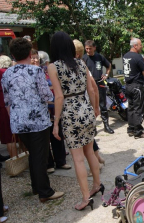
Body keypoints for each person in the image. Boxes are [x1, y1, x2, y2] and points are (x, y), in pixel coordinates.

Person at [1, 37, 64, 202]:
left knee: (33, 154)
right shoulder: (35, 71)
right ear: (30, 53)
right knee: (40, 157)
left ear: (13, 54)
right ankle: (45, 191)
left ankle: (37, 187)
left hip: (18, 121)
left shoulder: (7, 73)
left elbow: (7, 100)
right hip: (37, 121)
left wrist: (12, 118)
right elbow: (46, 95)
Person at [48, 31, 102, 211]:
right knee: (90, 151)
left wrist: (56, 123)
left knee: (78, 159)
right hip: (86, 109)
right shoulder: (81, 62)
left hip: (70, 114)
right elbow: (92, 90)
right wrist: (95, 108)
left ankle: (85, 198)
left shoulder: (53, 67)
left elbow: (59, 97)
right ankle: (97, 185)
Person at [73, 39, 105, 174]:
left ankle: (95, 165)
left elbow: (93, 88)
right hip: (85, 107)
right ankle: (97, 158)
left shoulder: (79, 65)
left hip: (81, 107)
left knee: (85, 141)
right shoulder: (80, 64)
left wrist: (95, 106)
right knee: (89, 137)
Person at [38, 51, 72, 174]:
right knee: (45, 137)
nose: (38, 62)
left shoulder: (50, 70)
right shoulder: (36, 73)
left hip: (54, 107)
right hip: (43, 109)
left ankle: (61, 160)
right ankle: (49, 163)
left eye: (38, 59)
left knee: (57, 134)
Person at [82, 40, 114, 134]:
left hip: (100, 83)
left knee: (103, 105)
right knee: (91, 106)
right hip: (89, 85)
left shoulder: (99, 57)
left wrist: (106, 74)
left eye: (90, 48)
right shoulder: (84, 58)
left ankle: (106, 126)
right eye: (86, 49)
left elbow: (109, 65)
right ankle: (93, 127)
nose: (88, 50)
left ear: (94, 48)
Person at [123, 38, 144, 138]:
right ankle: (138, 131)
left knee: (131, 107)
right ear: (135, 46)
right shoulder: (137, 57)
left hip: (128, 85)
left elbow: (133, 67)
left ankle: (131, 129)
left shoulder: (126, 55)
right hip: (136, 85)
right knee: (138, 108)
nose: (141, 46)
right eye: (140, 45)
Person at [0, 55, 14, 160]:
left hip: (2, 105)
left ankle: (13, 160)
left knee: (8, 135)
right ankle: (17, 159)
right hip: (9, 104)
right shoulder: (8, 73)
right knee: (12, 135)